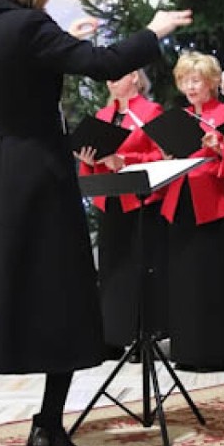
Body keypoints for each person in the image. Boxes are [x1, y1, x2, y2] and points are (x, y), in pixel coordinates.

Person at [0, 0, 190, 446]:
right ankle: (46, 431)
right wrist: (156, 30)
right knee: (65, 292)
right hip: (39, 173)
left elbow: (27, 71)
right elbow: (105, 65)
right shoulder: (32, 28)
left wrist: (62, 43)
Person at [160, 52, 224, 371]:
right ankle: (187, 350)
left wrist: (218, 146)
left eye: (196, 80)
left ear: (211, 82)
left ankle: (215, 351)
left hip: (214, 202)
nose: (190, 86)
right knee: (184, 278)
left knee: (212, 276)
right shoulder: (179, 116)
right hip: (180, 200)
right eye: (185, 80)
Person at [79, 69, 164, 354]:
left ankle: (144, 337)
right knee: (113, 269)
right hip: (111, 199)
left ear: (136, 79)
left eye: (118, 76)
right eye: (109, 77)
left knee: (140, 266)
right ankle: (113, 337)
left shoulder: (151, 110)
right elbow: (93, 161)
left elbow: (160, 154)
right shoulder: (103, 115)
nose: (111, 81)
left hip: (140, 198)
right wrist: (89, 160)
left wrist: (124, 159)